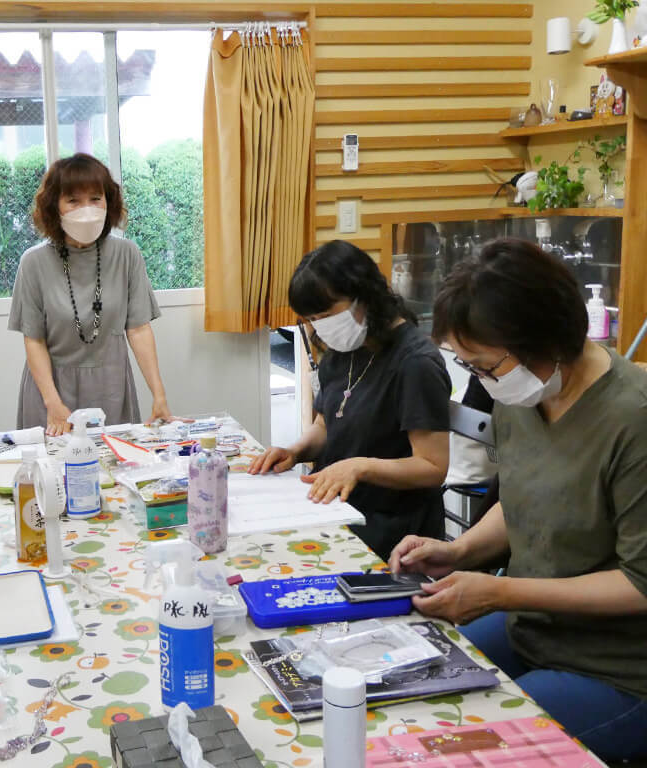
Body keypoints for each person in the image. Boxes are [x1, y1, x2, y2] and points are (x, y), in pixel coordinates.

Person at [389, 238, 647, 762]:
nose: (483, 382)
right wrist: (458, 553)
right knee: (403, 683)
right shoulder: (524, 391)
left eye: (486, 366)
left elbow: (639, 584)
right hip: (533, 627)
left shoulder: (632, 420)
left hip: (618, 667)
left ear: (546, 337)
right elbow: (528, 497)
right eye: (472, 368)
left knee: (464, 748)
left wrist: (500, 593)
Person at [249, 240, 450, 561]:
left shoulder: (415, 363)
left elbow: (432, 467)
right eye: (312, 318)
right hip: (338, 509)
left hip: (392, 527)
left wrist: (360, 467)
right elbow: (325, 424)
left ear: (364, 296)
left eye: (326, 315)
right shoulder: (348, 348)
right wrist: (295, 451)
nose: (319, 327)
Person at [8, 153, 173, 436]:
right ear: (55, 206)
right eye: (73, 200)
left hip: (111, 389)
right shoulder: (33, 262)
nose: (86, 209)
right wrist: (53, 403)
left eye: (95, 198)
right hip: (52, 392)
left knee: (116, 460)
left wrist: (159, 395)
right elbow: (34, 340)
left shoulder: (127, 254)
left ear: (109, 202)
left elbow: (138, 329)